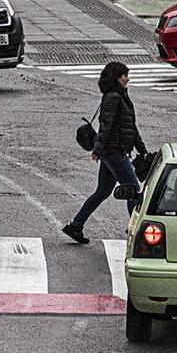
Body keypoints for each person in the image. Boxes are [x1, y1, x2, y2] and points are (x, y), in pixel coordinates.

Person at [63, 62, 147, 245]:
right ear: (117, 77)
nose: (128, 78)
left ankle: (75, 225)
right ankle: (136, 230)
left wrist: (143, 150)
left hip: (113, 150)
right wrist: (97, 150)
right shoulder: (113, 97)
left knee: (102, 191)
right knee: (133, 189)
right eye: (125, 75)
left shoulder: (121, 95)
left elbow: (130, 127)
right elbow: (106, 125)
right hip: (113, 151)